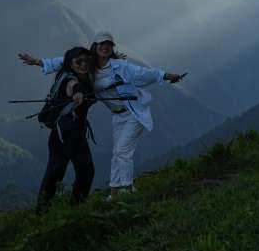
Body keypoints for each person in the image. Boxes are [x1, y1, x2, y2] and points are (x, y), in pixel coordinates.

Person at [19, 31, 184, 199]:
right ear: (95, 46)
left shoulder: (120, 65)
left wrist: (167, 76)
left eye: (109, 44)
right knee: (115, 154)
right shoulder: (89, 64)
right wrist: (38, 62)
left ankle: (127, 190)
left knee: (121, 152)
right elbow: (67, 61)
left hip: (133, 113)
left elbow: (144, 73)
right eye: (102, 44)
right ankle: (114, 192)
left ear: (112, 47)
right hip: (117, 116)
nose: (105, 47)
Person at [32, 46, 96, 214]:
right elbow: (73, 87)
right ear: (70, 63)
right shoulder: (70, 80)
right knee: (56, 173)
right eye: (79, 61)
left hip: (77, 133)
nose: (83, 64)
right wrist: (78, 93)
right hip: (63, 135)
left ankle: (76, 209)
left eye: (87, 60)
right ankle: (42, 213)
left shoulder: (82, 76)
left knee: (86, 171)